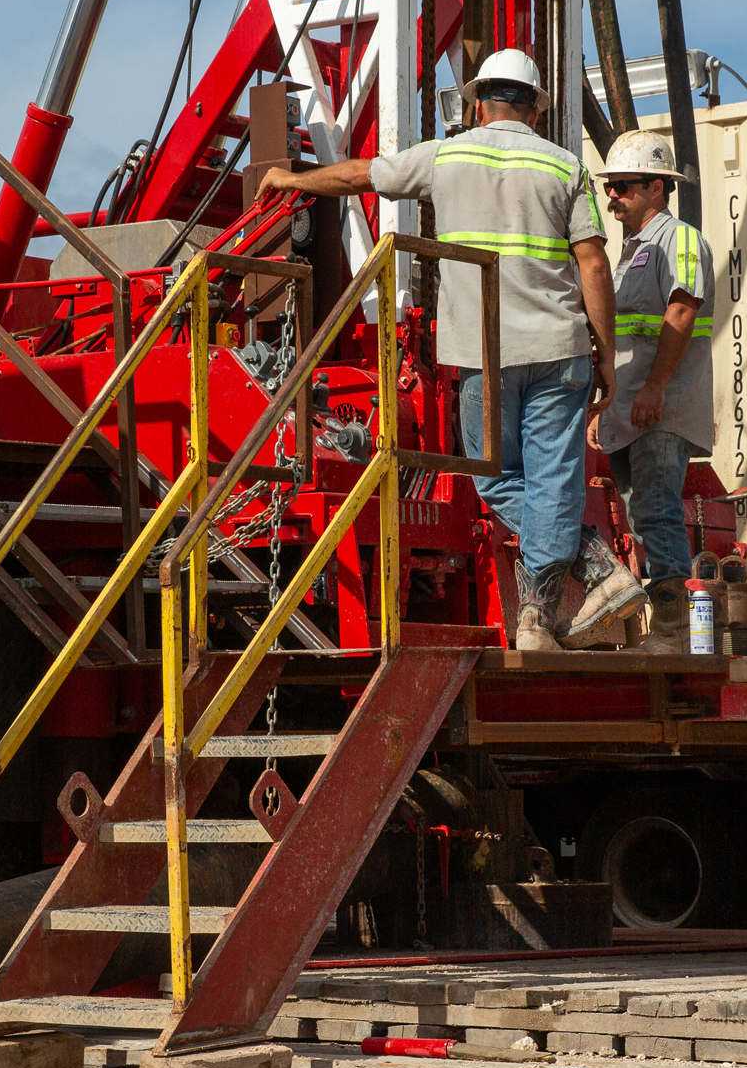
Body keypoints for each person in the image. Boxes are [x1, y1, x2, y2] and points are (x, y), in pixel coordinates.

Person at [256, 48, 644, 650]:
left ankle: (558, 604)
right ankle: (583, 581)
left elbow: (362, 175)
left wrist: (291, 179)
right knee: (554, 483)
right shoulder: (565, 166)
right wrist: (606, 355)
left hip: (482, 351)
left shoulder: (449, 154)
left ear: (478, 103)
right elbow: (592, 262)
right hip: (558, 347)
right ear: (536, 109)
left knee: (492, 481)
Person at [588, 131, 713, 653]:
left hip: (660, 408)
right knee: (642, 518)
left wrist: (656, 387)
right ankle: (663, 626)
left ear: (657, 188)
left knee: (658, 513)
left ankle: (675, 631)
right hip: (632, 409)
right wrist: (606, 406)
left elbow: (681, 312)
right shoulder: (630, 254)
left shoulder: (678, 239)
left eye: (624, 187)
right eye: (611, 187)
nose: (612, 196)